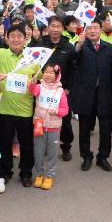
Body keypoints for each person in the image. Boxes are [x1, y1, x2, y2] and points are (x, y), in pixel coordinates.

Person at [0, 23, 42, 190]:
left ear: (25, 38)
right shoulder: (0, 54)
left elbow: (45, 80)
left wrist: (36, 82)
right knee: (4, 143)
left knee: (27, 145)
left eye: (19, 36)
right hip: (4, 109)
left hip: (25, 110)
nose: (16, 39)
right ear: (7, 38)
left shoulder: (33, 58)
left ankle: (26, 173)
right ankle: (6, 171)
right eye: (12, 36)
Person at [69, 19, 112, 174]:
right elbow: (71, 62)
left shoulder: (109, 48)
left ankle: (103, 157)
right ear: (84, 31)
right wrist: (77, 47)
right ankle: (86, 156)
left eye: (95, 28)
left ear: (101, 30)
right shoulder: (80, 47)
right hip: (85, 94)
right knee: (84, 128)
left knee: (105, 128)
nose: (92, 31)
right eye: (89, 28)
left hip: (104, 94)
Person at [39, 15, 76, 161]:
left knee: (65, 120)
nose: (55, 29)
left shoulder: (69, 47)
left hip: (62, 91)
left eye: (58, 26)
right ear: (48, 28)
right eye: (52, 26)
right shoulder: (40, 44)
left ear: (63, 28)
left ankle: (66, 146)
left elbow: (74, 69)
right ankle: (46, 146)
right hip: (42, 89)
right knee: (43, 118)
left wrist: (68, 88)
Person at [30, 63, 69, 190]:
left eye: (51, 72)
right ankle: (39, 175)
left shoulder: (60, 91)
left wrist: (57, 111)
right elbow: (32, 91)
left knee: (52, 153)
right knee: (38, 151)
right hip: (39, 125)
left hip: (54, 127)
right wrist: (32, 83)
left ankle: (50, 176)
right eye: (46, 72)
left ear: (57, 75)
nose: (47, 74)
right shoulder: (40, 87)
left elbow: (65, 110)